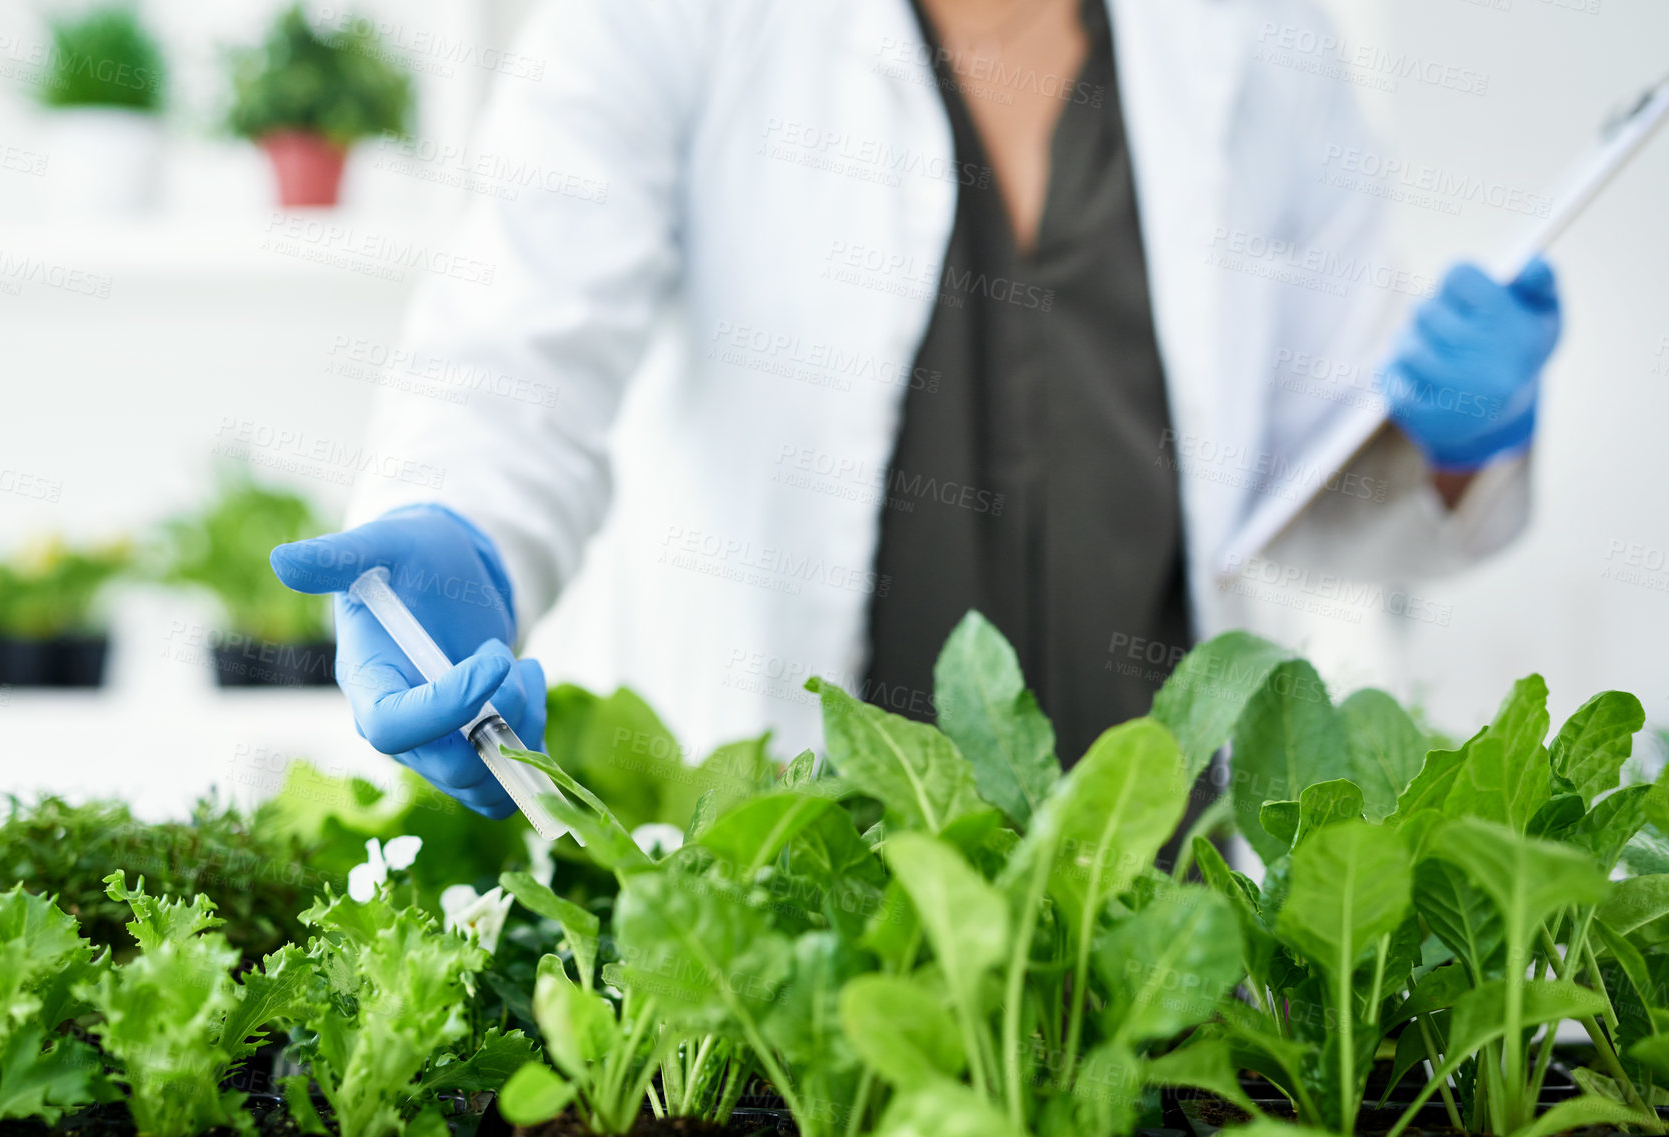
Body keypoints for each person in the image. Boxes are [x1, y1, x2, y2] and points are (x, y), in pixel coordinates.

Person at [271, 0, 1561, 819]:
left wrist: (1451, 447)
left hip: (1167, 897)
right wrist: (458, 526)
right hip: (805, 906)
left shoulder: (1251, 33)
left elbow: (1302, 462)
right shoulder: (667, 21)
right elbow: (518, 348)